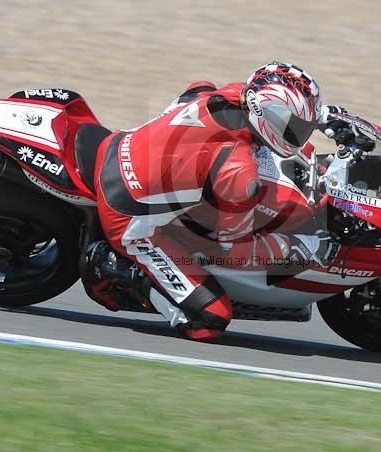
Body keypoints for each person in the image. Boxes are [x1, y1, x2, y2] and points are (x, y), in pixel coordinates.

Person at [85, 62, 340, 341]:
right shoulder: (239, 175)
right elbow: (229, 251)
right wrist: (298, 246)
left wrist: (324, 119)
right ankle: (114, 266)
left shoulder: (235, 95)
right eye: (295, 126)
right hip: (128, 216)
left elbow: (198, 88)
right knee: (209, 320)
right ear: (265, 114)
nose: (300, 134)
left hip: (121, 144)